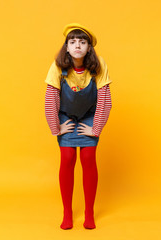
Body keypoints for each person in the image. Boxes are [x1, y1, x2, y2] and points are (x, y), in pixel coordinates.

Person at [44, 23, 112, 230]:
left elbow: (105, 100)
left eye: (82, 42)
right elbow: (50, 98)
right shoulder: (57, 66)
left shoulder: (98, 64)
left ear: (89, 48)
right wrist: (56, 128)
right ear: (66, 47)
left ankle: (89, 212)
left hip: (90, 116)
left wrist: (96, 128)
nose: (77, 46)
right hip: (66, 117)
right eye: (72, 42)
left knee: (88, 158)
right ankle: (67, 212)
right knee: (67, 158)